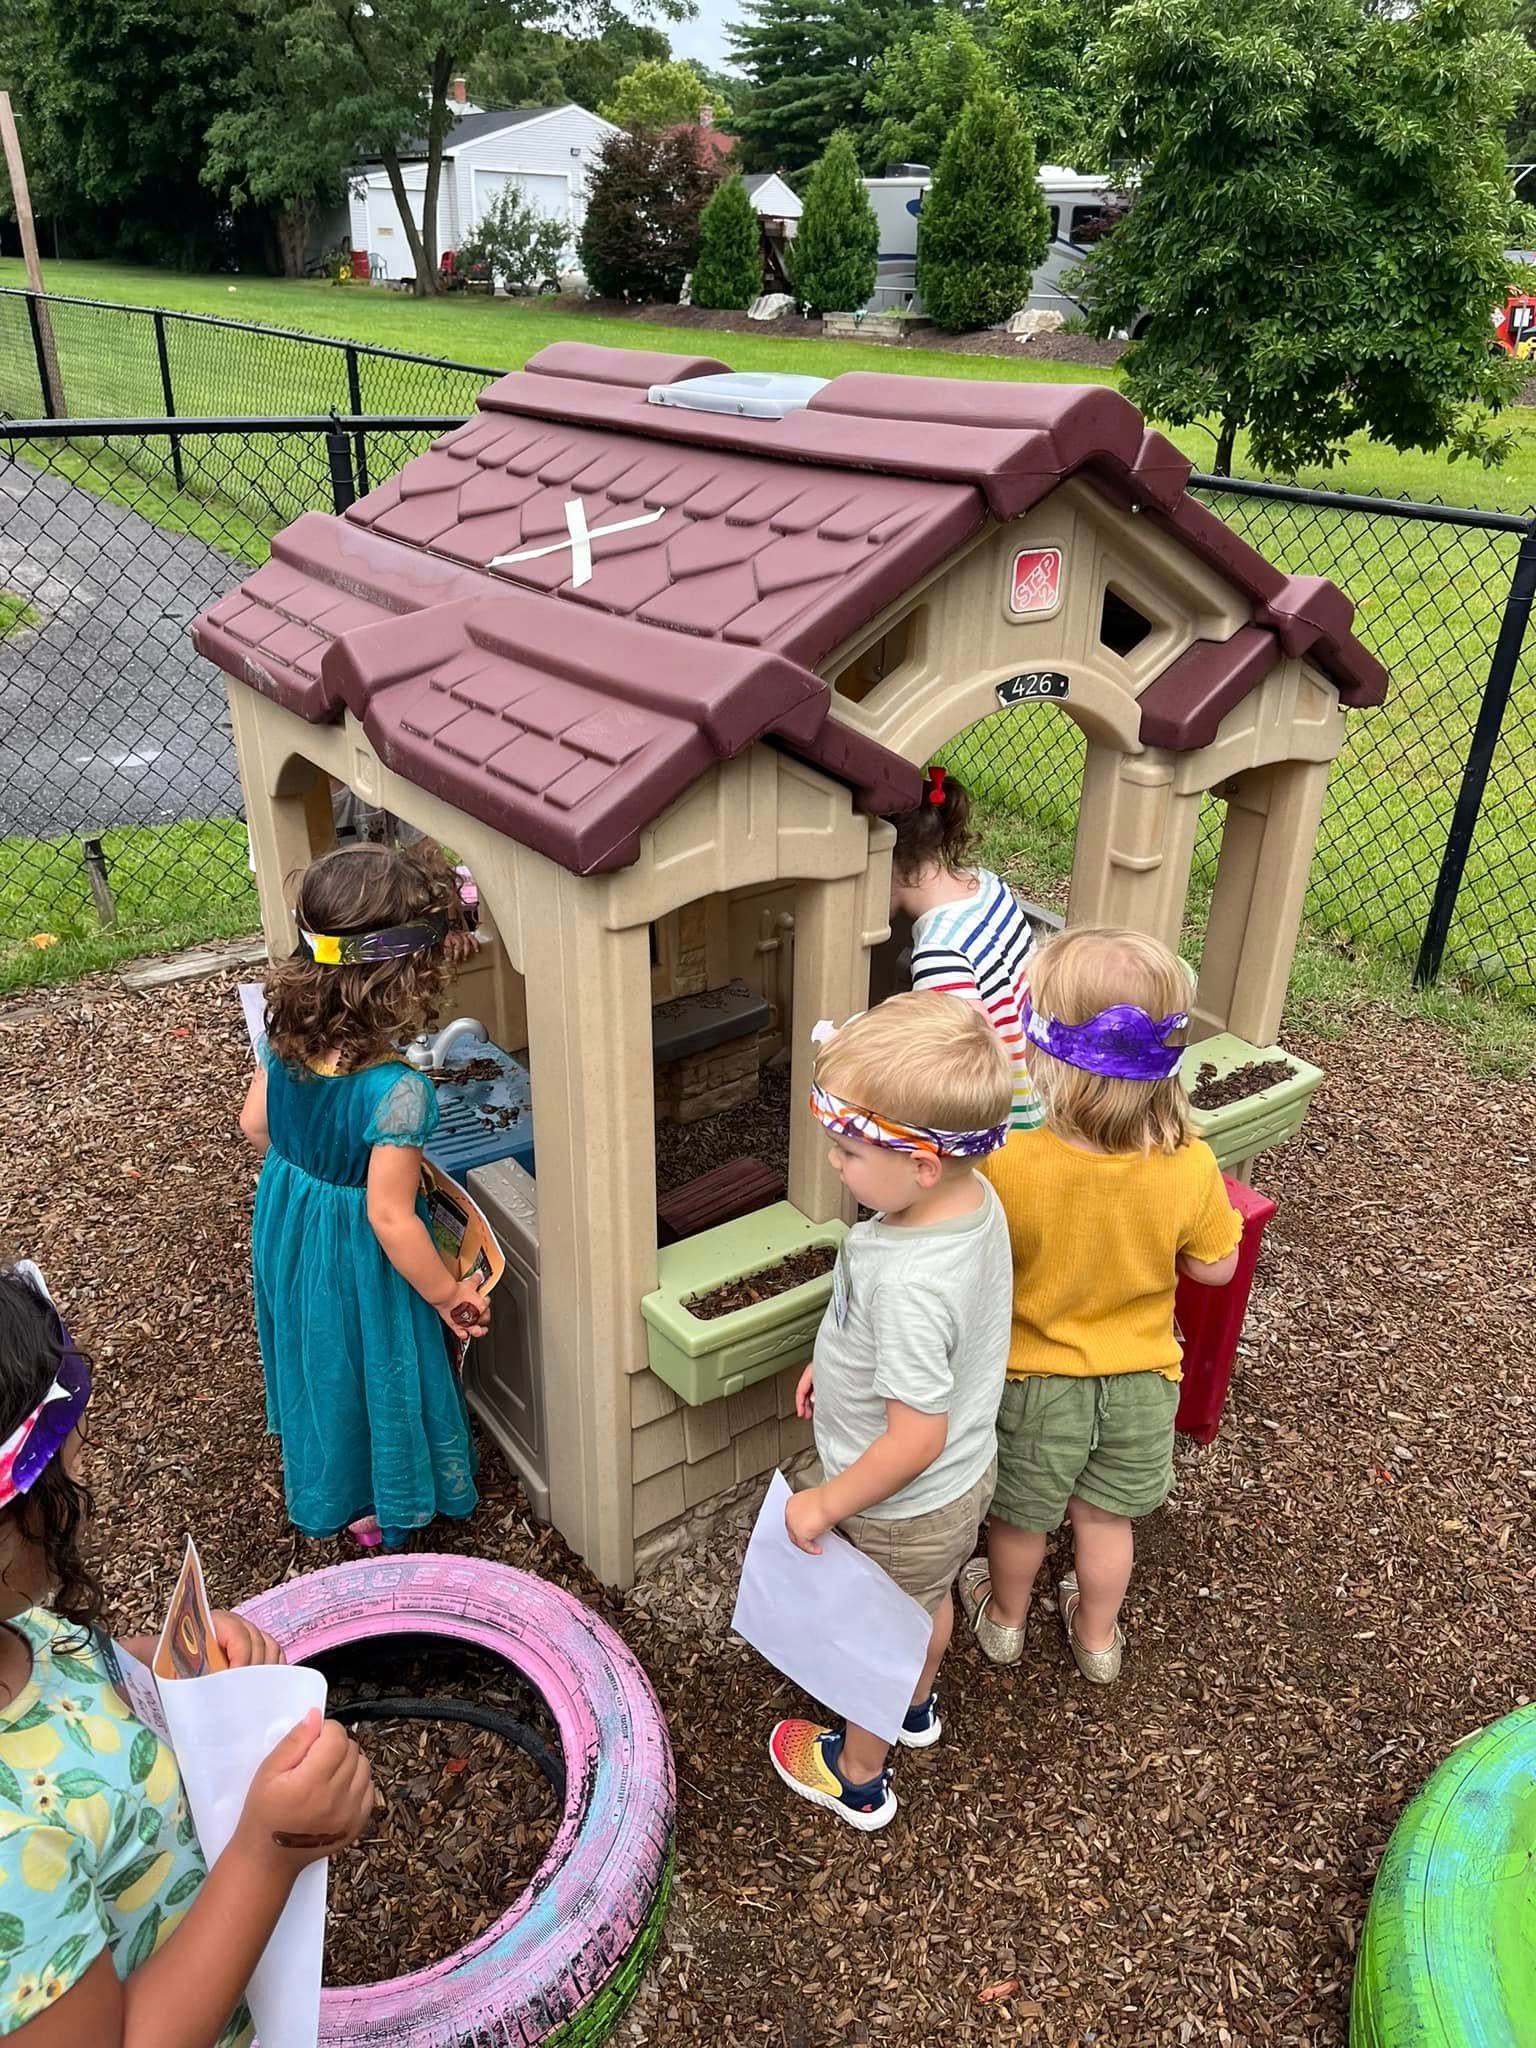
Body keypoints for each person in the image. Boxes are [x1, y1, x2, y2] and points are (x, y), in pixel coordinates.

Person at [0, 1264, 375, 2045]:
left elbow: (68, 1677)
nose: (85, 1465)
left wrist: (173, 1670)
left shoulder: (13, 1627)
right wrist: (267, 1855)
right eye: (65, 1449)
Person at [963, 928, 1242, 1683]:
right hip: (1142, 1382)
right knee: (1104, 1519)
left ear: (1044, 1056)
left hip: (1036, 1385)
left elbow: (983, 1263)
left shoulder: (1009, 1165)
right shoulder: (1190, 1162)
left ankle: (1005, 1621)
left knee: (1023, 1520)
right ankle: (1095, 1638)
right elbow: (1216, 1270)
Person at [767, 994, 1015, 1832]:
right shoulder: (968, 1202)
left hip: (901, 1501)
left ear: (920, 1165)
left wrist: (826, 1502)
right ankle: (914, 1704)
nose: (834, 1163)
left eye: (847, 1149)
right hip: (955, 1491)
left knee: (879, 1629)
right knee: (922, 1602)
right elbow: (926, 1356)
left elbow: (915, 1435)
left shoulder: (910, 1279)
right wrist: (830, 1360)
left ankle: (859, 1772)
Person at [239, 842, 489, 1552]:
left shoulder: (283, 1031)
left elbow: (254, 1125)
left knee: (318, 1349)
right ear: (407, 980)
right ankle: (377, 1503)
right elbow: (388, 1216)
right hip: (359, 1247)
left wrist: (313, 1175)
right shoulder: (397, 1092)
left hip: (290, 1214)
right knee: (375, 1355)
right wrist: (447, 1295)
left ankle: (331, 1467)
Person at [889, 766, 1045, 1135]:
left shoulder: (938, 953)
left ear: (889, 862)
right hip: (1042, 1081)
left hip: (1002, 1122)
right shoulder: (989, 885)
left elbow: (962, 1059)